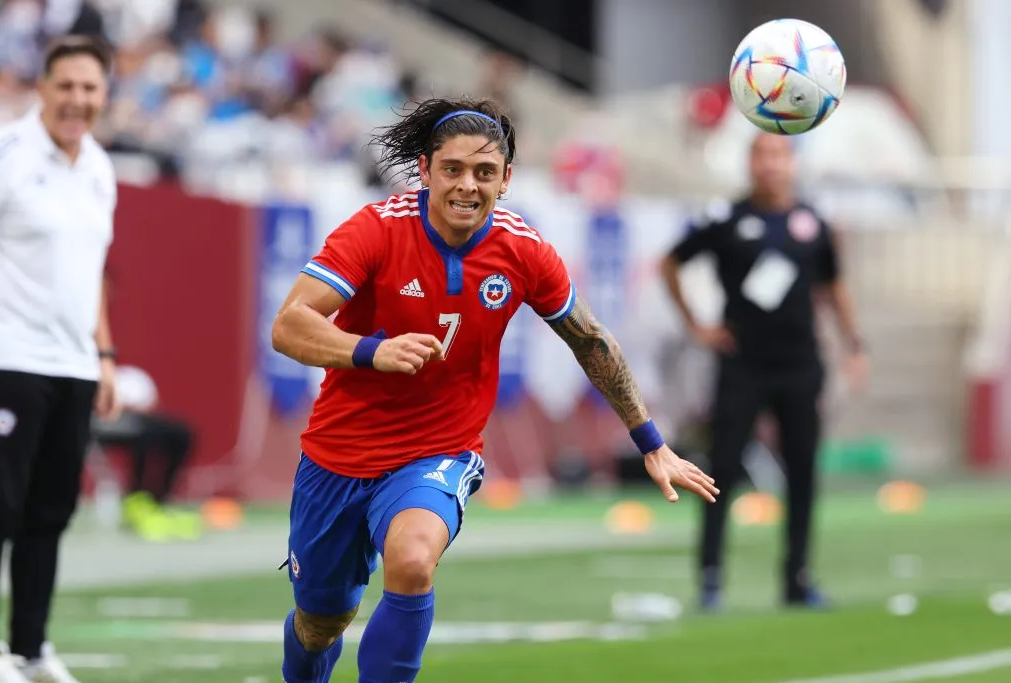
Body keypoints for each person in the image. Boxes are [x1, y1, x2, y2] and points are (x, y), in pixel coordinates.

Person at [270, 98, 719, 682]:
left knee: (411, 561)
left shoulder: (522, 249)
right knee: (320, 623)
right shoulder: (375, 230)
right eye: (452, 169)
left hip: (437, 451)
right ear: (426, 169)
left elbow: (591, 341)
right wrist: (371, 350)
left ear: (506, 179)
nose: (467, 186)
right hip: (338, 455)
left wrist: (651, 441)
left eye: (485, 173)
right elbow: (288, 325)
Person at [661, 132, 868, 611]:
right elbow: (669, 263)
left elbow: (836, 288)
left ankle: (797, 578)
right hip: (742, 364)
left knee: (802, 470)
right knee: (722, 470)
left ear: (792, 164)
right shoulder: (725, 219)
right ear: (748, 163)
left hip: (800, 365)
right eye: (760, 155)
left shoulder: (813, 223)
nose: (770, 165)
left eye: (778, 156)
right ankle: (710, 579)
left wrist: (854, 345)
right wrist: (698, 325)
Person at [0, 35, 119, 683]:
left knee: (50, 511)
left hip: (74, 366)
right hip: (5, 355)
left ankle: (32, 648)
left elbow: (93, 273)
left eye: (89, 88)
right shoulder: (4, 153)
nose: (77, 100)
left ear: (104, 96)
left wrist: (106, 354)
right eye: (65, 85)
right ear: (42, 87)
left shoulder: (99, 167)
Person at [90, 365, 201, 542]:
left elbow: (146, 407)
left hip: (137, 420)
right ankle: (136, 498)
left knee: (181, 434)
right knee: (142, 438)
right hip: (106, 422)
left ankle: (160, 499)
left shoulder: (132, 377)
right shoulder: (97, 373)